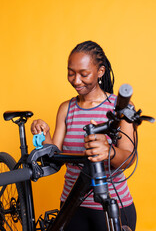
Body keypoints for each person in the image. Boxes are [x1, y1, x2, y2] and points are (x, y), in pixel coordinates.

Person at [31, 40, 137, 231]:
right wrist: (44, 133)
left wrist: (109, 152)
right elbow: (55, 156)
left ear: (100, 72)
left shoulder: (119, 108)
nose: (76, 80)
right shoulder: (67, 108)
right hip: (72, 207)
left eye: (84, 74)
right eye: (71, 73)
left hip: (113, 205)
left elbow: (129, 158)